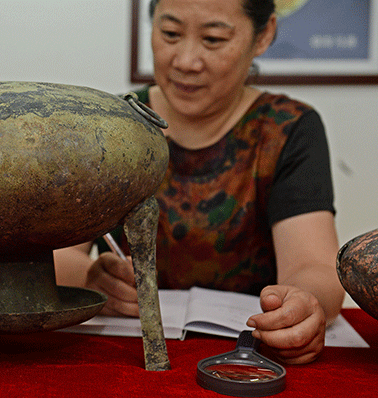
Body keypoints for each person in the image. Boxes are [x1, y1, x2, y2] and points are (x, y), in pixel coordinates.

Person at [54, 0, 344, 365]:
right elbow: (61, 255)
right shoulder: (111, 127)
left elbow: (314, 265)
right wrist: (91, 279)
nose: (186, 61)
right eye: (170, 34)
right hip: (124, 354)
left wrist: (301, 305)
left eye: (213, 39)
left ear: (264, 34)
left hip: (245, 357)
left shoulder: (287, 130)